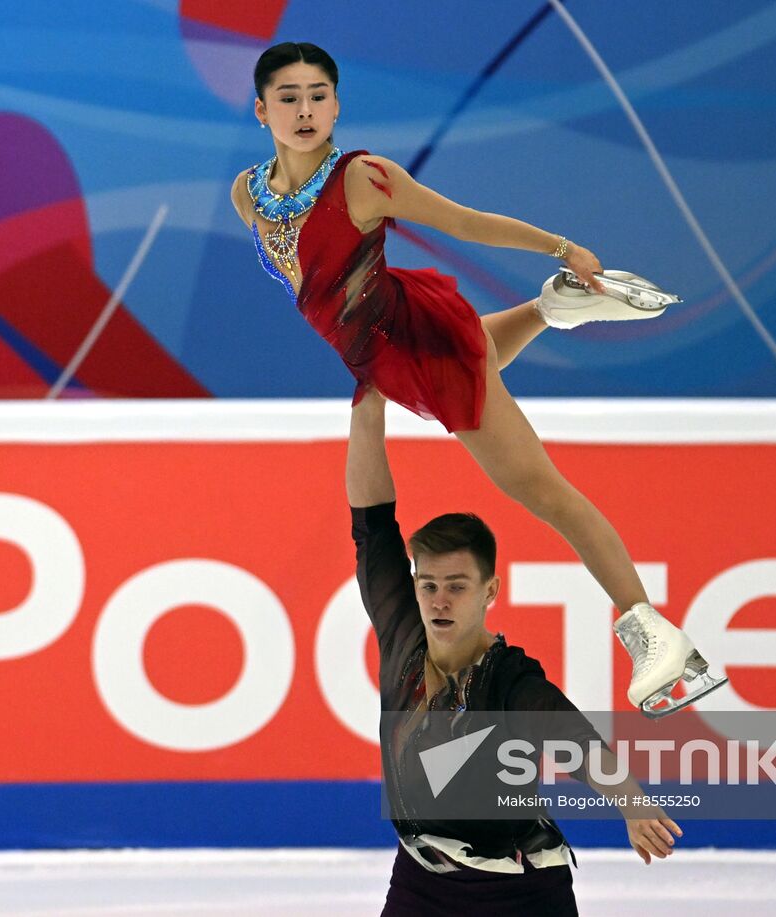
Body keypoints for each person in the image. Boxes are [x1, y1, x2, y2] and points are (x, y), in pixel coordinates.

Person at [230, 41, 725, 715]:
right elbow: (316, 283)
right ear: (261, 111)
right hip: (386, 347)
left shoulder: (363, 178)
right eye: (289, 98)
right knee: (478, 356)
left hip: (414, 344)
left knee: (543, 490)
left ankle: (655, 633)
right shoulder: (248, 193)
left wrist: (562, 247)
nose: (306, 110)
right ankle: (554, 306)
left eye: (319, 95)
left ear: (338, 105)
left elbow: (465, 222)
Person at [347, 384, 682, 915]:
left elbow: (573, 739)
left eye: (456, 585)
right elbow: (373, 528)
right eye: (428, 584)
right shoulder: (402, 633)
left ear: (490, 591)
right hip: (420, 880)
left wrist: (632, 802)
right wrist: (369, 405)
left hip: (519, 891)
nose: (439, 599)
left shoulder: (508, 677)